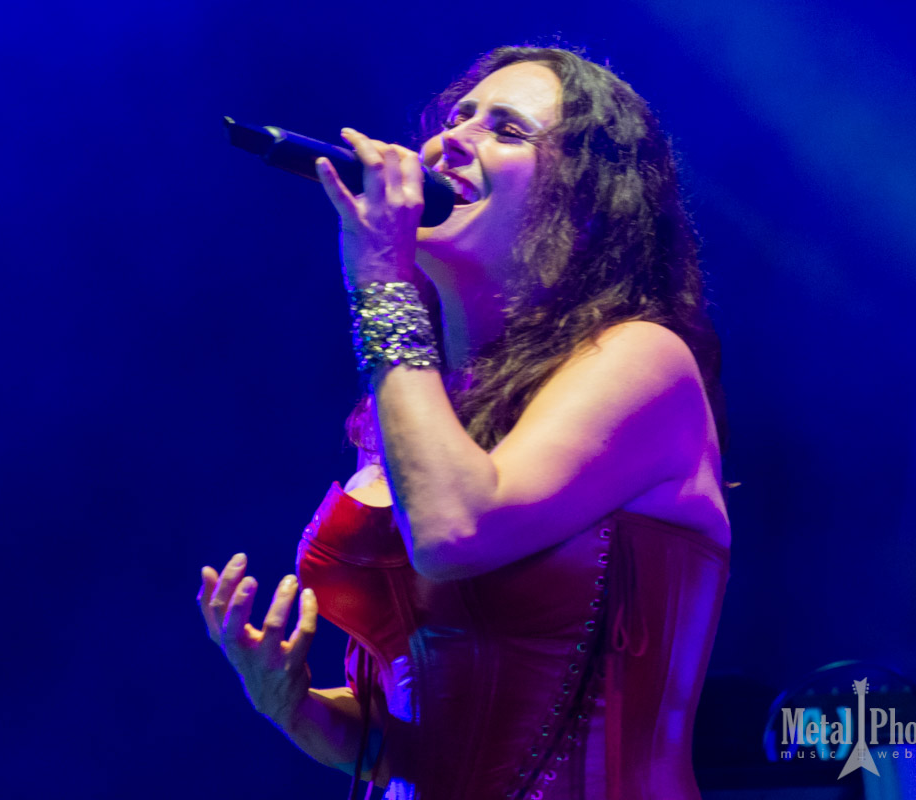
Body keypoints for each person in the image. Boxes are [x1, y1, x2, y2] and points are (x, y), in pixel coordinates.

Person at [198, 45, 731, 799]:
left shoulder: (644, 360)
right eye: (456, 118)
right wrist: (296, 707)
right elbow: (422, 740)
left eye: (506, 129)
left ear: (586, 205)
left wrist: (381, 285)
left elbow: (454, 530)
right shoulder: (422, 397)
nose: (450, 139)